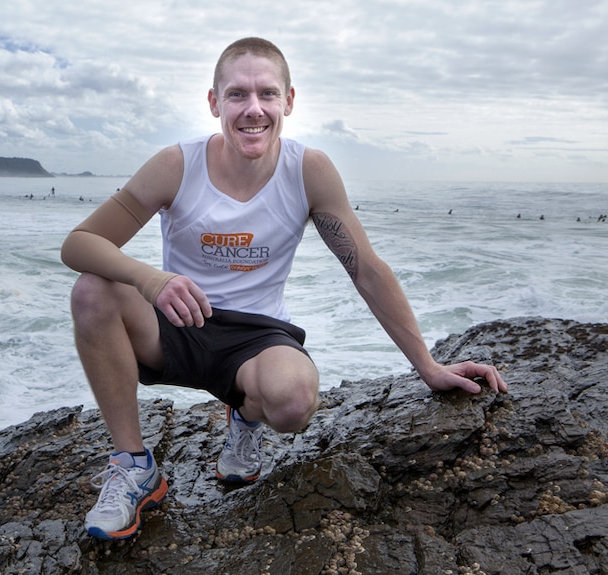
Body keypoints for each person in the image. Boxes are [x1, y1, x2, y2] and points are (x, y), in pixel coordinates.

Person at [60, 37, 507, 541]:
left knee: (293, 402)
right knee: (92, 291)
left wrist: (428, 367)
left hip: (256, 338)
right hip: (175, 323)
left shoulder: (307, 169)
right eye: (237, 95)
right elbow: (79, 244)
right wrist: (152, 279)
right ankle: (135, 466)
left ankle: (244, 418)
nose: (254, 109)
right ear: (214, 102)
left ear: (288, 102)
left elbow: (366, 269)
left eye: (268, 94)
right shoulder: (176, 165)